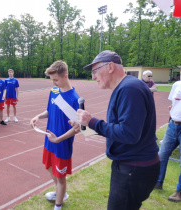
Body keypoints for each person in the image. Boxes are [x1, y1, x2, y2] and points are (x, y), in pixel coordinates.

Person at [75, 50, 159, 210]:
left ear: (110, 67)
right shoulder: (128, 86)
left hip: (133, 169)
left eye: (94, 71)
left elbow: (129, 134)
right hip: (134, 166)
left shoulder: (129, 89)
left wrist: (92, 122)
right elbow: (123, 128)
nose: (93, 77)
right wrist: (88, 126)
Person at [30, 61, 79, 210]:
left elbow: (78, 128)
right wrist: (38, 116)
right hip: (49, 139)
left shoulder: (74, 99)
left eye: (56, 80)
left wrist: (58, 139)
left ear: (66, 76)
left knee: (61, 177)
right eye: (52, 80)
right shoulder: (54, 91)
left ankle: (58, 205)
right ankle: (60, 193)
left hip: (62, 144)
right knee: (49, 167)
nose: (53, 83)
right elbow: (49, 111)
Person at [154, 68, 181, 202]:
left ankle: (179, 191)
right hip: (173, 125)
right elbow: (174, 103)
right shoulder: (177, 85)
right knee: (162, 154)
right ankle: (158, 182)